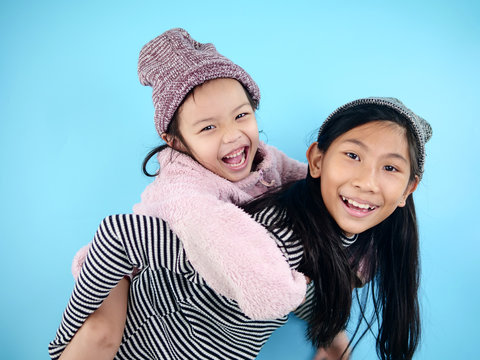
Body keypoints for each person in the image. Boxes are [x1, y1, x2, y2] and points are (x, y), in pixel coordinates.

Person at [49, 96, 432, 360]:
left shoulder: (339, 239)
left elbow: (298, 284)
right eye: (352, 156)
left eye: (390, 168)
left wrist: (331, 333)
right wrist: (91, 335)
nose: (367, 181)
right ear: (316, 160)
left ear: (407, 190)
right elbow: (121, 234)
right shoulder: (275, 232)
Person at [60, 28, 309, 359]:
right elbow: (253, 273)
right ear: (176, 141)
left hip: (208, 333)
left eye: (241, 115)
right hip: (144, 310)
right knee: (96, 336)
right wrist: (291, 291)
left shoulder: (268, 160)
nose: (233, 135)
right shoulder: (184, 190)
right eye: (208, 127)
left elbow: (324, 197)